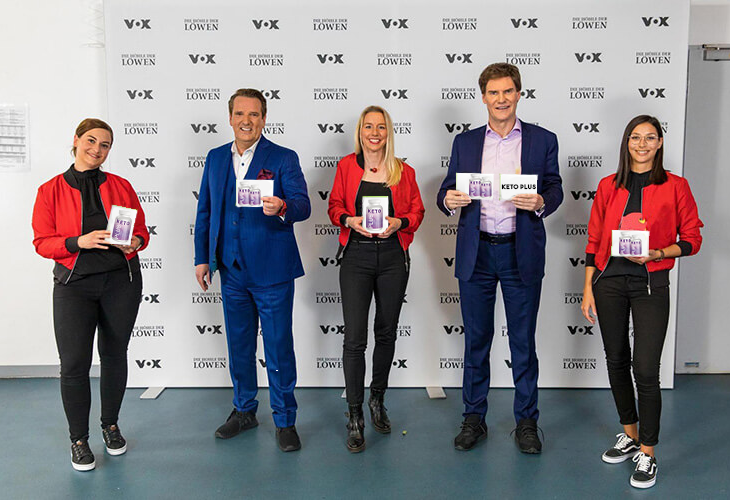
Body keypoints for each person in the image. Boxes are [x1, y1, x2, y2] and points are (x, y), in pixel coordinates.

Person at [437, 63, 563, 454]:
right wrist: (448, 199)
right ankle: (474, 418)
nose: (501, 99)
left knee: (522, 342)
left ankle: (526, 422)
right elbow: (446, 189)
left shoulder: (543, 140)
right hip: (476, 253)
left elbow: (555, 188)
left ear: (519, 94)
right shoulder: (465, 142)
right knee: (476, 341)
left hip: (519, 251)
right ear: (483, 97)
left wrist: (541, 201)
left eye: (508, 91)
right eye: (494, 92)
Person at [581, 115, 703, 489]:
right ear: (627, 142)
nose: (642, 144)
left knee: (646, 369)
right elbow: (594, 239)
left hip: (651, 283)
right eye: (636, 137)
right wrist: (588, 287)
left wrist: (659, 253)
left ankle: (648, 453)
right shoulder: (608, 185)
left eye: (650, 137)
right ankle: (630, 434)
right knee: (616, 360)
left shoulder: (676, 186)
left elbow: (693, 239)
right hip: (608, 283)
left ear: (660, 143)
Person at [194, 88, 310, 452]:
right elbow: (205, 211)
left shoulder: (283, 157)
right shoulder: (215, 158)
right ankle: (244, 410)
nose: (247, 121)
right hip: (231, 271)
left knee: (278, 348)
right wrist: (202, 258)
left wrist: (283, 206)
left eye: (254, 114)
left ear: (264, 119)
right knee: (239, 346)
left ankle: (285, 420)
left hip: (273, 271)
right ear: (230, 118)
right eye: (240, 114)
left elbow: (304, 205)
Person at [32, 118, 149, 471]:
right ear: (76, 140)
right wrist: (77, 242)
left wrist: (135, 241)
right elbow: (42, 242)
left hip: (121, 282)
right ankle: (78, 440)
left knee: (114, 355)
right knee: (73, 364)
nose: (97, 149)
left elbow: (141, 231)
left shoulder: (121, 185)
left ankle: (110, 426)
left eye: (105, 145)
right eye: (91, 141)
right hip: (74, 285)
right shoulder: (49, 190)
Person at [327, 105, 425, 452]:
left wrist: (400, 223)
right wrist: (348, 220)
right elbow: (334, 206)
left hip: (393, 258)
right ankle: (354, 415)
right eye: (368, 126)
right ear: (360, 131)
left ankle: (377, 399)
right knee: (355, 339)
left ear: (388, 132)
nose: (374, 133)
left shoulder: (404, 170)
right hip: (356, 256)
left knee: (386, 332)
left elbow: (417, 211)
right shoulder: (345, 166)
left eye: (381, 127)